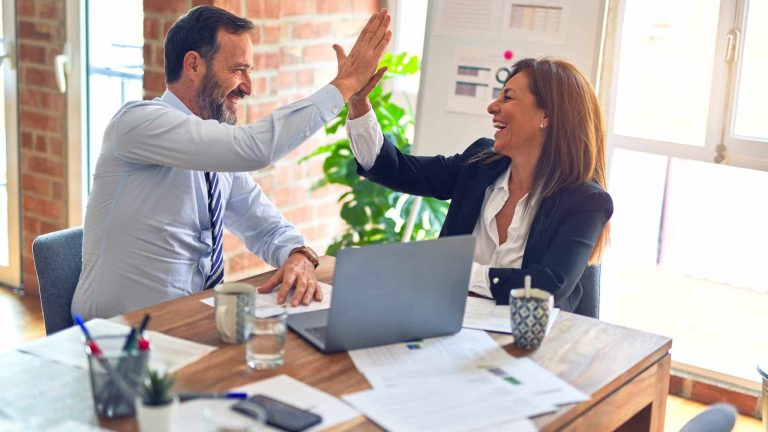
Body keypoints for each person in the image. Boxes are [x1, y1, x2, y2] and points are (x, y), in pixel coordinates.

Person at [71, 6, 391, 319]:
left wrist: (297, 254)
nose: (248, 87)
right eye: (238, 69)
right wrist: (344, 85)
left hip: (190, 324)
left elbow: (262, 223)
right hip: (117, 338)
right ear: (194, 65)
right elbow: (255, 148)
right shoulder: (138, 123)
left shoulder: (215, 152)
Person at [345, 57, 612, 313]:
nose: (492, 107)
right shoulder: (479, 164)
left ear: (546, 115)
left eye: (508, 97)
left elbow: (546, 287)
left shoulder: (586, 202)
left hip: (531, 345)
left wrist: (457, 271)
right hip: (448, 324)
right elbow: (395, 169)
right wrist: (358, 103)